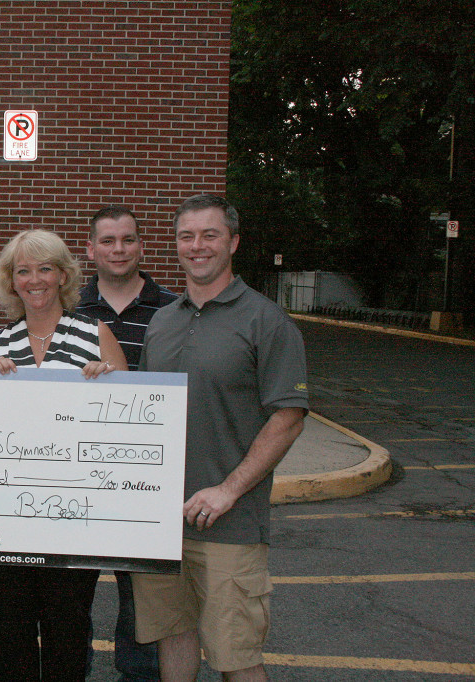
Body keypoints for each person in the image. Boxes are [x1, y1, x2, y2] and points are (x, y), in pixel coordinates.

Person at [132, 195, 309, 682]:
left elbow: (288, 417)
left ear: (232, 241)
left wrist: (229, 489)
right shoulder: (163, 321)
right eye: (187, 236)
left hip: (230, 526)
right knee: (174, 637)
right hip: (162, 524)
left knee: (237, 659)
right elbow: (145, 412)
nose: (197, 246)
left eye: (209, 235)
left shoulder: (266, 321)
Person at [0, 229, 127, 681]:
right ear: (11, 280)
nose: (34, 279)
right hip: (5, 521)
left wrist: (110, 381)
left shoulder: (96, 334)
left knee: (68, 629)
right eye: (23, 270)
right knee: (10, 632)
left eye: (45, 268)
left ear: (63, 274)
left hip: (74, 519)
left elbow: (128, 426)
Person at [75, 206, 177, 682]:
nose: (119, 250)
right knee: (71, 594)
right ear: (90, 248)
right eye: (108, 241)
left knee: (143, 602)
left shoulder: (174, 310)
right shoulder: (69, 307)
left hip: (145, 480)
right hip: (77, 476)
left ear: (141, 246)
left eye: (128, 240)